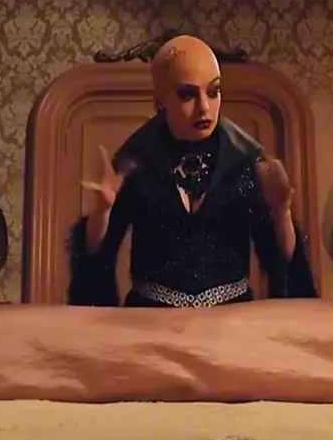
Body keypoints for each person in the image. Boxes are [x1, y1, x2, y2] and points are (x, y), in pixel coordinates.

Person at [68, 35, 317, 307]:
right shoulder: (136, 161)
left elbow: (284, 265)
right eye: (188, 94)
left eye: (214, 91)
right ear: (160, 100)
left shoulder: (245, 162)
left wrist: (281, 213)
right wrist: (103, 211)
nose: (204, 107)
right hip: (149, 318)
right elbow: (95, 263)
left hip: (231, 319)